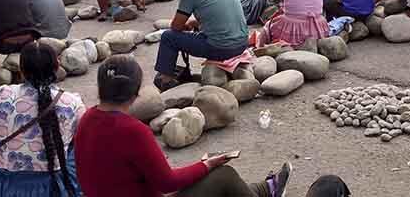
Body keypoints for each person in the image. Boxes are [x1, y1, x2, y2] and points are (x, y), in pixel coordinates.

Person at [75, 55, 291, 197]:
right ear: (135, 92)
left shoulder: (85, 119)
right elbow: (167, 183)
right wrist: (206, 165)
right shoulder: (132, 130)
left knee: (211, 183)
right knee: (223, 174)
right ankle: (266, 191)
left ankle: (264, 189)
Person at [0, 41, 85, 197]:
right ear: (57, 67)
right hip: (53, 186)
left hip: (6, 187)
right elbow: (87, 142)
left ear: (21, 70)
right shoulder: (72, 103)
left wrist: (2, 144)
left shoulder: (2, 96)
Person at [153, 0, 248, 91]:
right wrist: (194, 23)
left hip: (221, 48)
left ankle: (166, 78)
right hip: (242, 43)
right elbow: (218, 16)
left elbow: (176, 26)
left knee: (168, 37)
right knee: (192, 31)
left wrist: (186, 25)